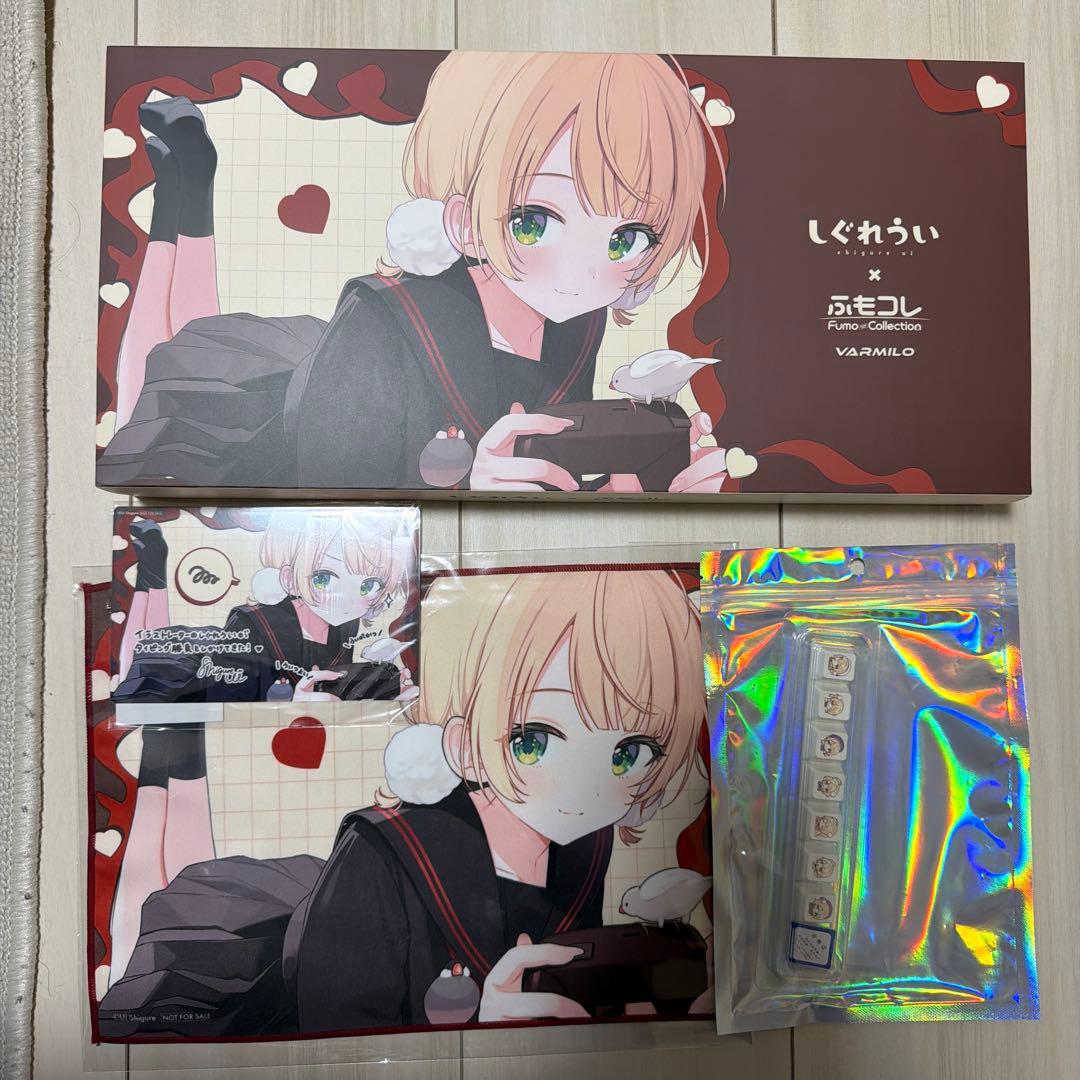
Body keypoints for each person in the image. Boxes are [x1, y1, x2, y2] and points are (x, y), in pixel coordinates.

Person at [97, 568, 710, 1037]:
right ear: (464, 742)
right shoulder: (384, 852)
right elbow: (337, 1033)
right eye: (534, 740)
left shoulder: (586, 841)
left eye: (630, 752)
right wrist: (479, 1030)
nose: (587, 788)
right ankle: (171, 745)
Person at [98, 52, 730, 493]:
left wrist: (626, 486)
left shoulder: (578, 322)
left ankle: (186, 181)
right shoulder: (384, 313)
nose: (584, 272)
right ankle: (186, 188)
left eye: (629, 238)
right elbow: (333, 484)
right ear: (462, 217)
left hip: (322, 382)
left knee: (194, 332)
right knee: (165, 362)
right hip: (267, 437)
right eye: (534, 221)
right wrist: (471, 487)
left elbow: (548, 451)